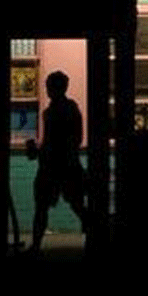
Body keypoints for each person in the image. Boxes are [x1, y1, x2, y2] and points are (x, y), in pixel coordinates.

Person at [27, 71, 87, 255]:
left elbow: (57, 142)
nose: (47, 90)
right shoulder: (69, 109)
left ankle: (36, 246)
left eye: (49, 86)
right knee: (76, 205)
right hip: (67, 165)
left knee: (42, 208)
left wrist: (40, 151)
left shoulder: (52, 112)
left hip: (54, 167)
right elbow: (75, 139)